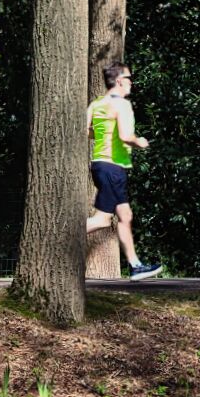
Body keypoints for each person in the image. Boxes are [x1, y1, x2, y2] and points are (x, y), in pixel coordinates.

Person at [85, 63, 163, 281]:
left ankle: (136, 266)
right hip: (112, 167)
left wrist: (105, 133)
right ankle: (58, 236)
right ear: (119, 80)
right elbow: (126, 136)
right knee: (102, 220)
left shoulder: (97, 104)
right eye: (129, 78)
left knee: (125, 215)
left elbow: (87, 130)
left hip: (101, 165)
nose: (131, 82)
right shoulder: (122, 105)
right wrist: (140, 142)